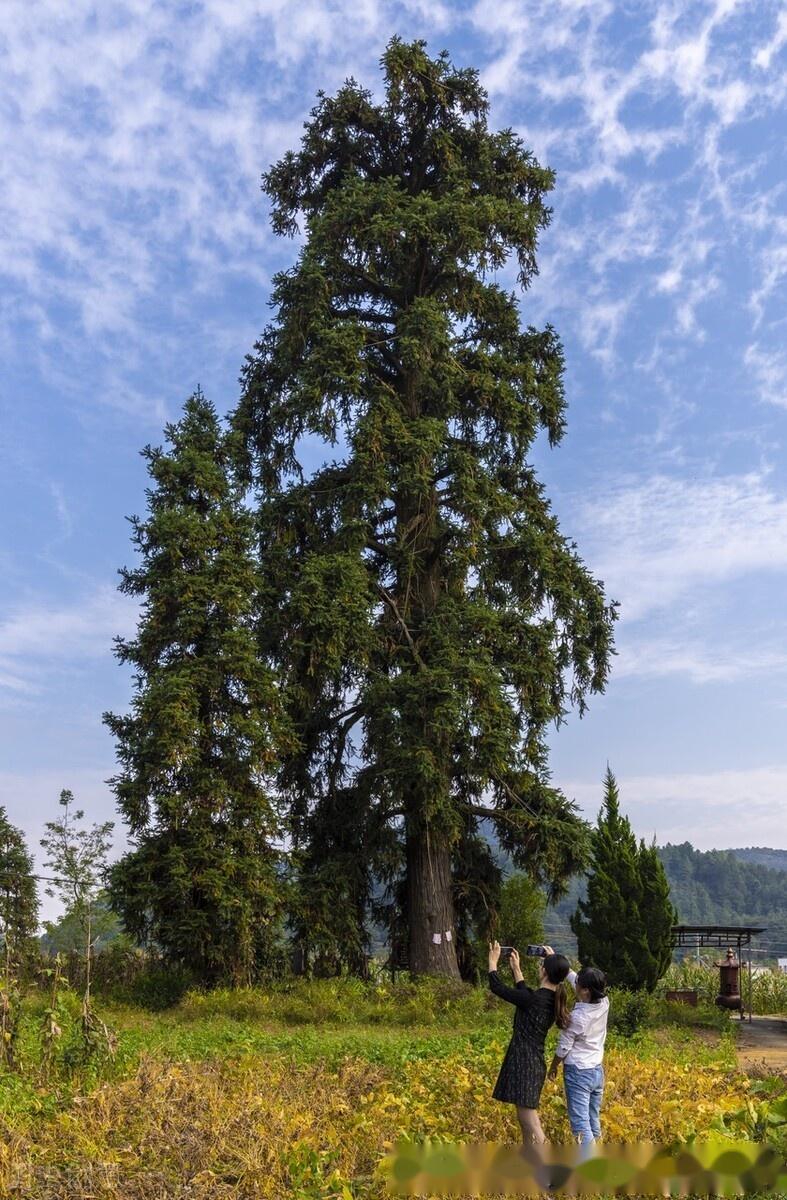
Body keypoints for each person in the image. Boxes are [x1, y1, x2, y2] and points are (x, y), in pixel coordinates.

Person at [487, 940, 571, 1145]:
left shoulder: (533, 998)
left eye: (542, 966)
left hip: (523, 1062)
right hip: (532, 1062)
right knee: (525, 1119)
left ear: (544, 972)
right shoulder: (552, 999)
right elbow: (525, 997)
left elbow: (497, 987)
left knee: (530, 1121)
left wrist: (492, 962)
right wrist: (517, 970)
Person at [547, 966, 609, 1153]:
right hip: (596, 1071)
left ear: (585, 990)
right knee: (592, 1118)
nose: (575, 984)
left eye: (578, 984)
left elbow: (564, 1047)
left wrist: (553, 1066)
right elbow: (576, 980)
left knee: (581, 1124)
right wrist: (563, 966)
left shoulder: (578, 1017)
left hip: (578, 1073)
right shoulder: (604, 1003)